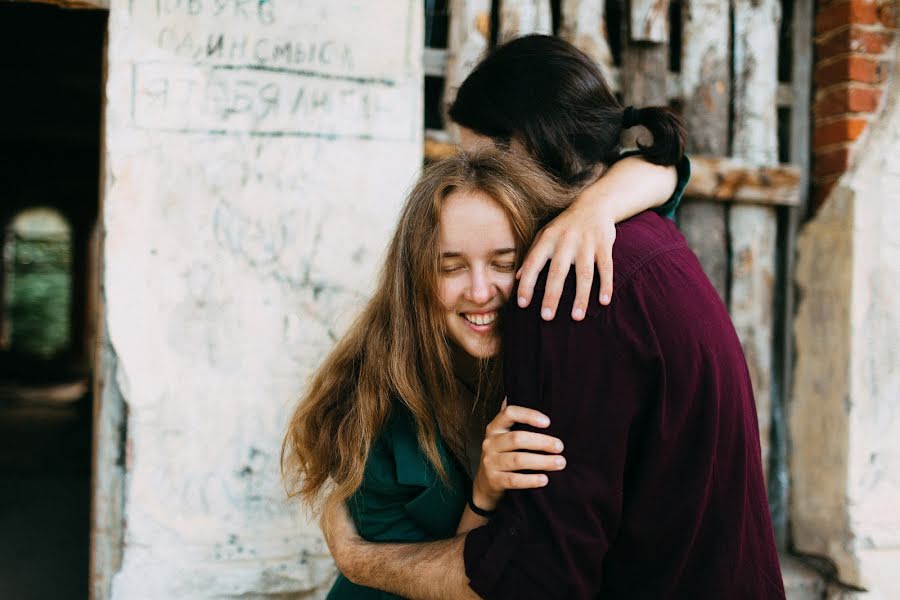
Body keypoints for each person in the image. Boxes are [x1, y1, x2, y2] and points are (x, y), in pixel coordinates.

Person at [319, 35, 785, 599]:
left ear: (526, 150)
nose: (477, 180)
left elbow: (538, 577)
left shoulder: (570, 280)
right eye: (451, 266)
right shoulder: (648, 237)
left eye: (484, 160)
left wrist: (358, 558)